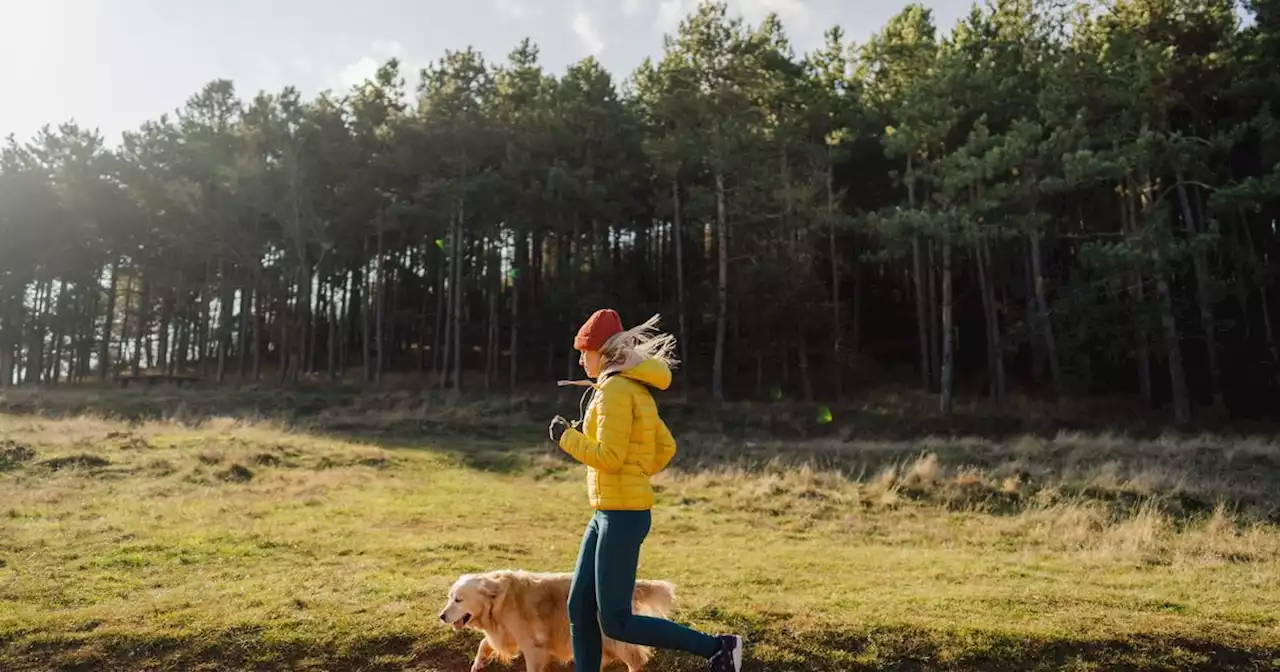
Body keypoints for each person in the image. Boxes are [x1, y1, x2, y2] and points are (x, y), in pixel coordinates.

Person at [549, 309, 744, 672]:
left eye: (583, 351)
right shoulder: (628, 388)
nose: (579, 358)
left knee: (616, 620)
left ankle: (718, 648)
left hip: (621, 514)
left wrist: (567, 438)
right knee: (579, 606)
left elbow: (608, 457)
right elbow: (665, 446)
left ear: (602, 351)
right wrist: (637, 472)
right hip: (608, 511)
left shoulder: (615, 392)